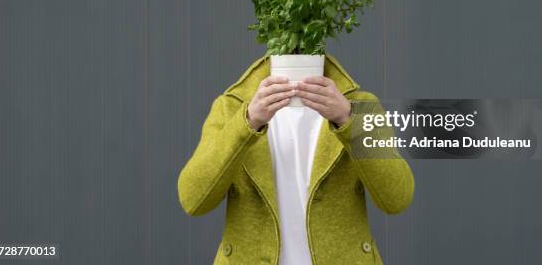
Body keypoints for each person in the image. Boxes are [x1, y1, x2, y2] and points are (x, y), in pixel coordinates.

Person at [177, 54, 415, 264]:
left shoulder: (360, 106)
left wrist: (349, 119)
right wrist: (247, 121)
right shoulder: (231, 108)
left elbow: (397, 198)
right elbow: (193, 200)